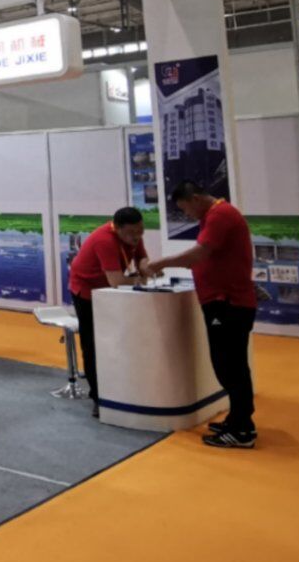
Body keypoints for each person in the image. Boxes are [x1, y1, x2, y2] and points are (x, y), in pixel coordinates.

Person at [145, 181, 257, 449]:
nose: (187, 215)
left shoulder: (220, 215)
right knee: (228, 364)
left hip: (228, 303)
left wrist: (160, 263)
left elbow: (198, 254)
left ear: (195, 199)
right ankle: (237, 418)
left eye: (185, 209)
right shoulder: (215, 216)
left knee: (230, 365)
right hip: (223, 301)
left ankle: (243, 429)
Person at [68, 207, 150, 416]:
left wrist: (145, 267)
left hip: (108, 291)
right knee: (93, 344)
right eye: (132, 232)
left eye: (141, 230)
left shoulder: (132, 234)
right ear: (118, 229)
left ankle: (120, 388)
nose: (137, 236)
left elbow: (142, 258)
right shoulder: (104, 240)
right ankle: (98, 397)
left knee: (116, 340)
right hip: (86, 292)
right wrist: (141, 278)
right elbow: (116, 281)